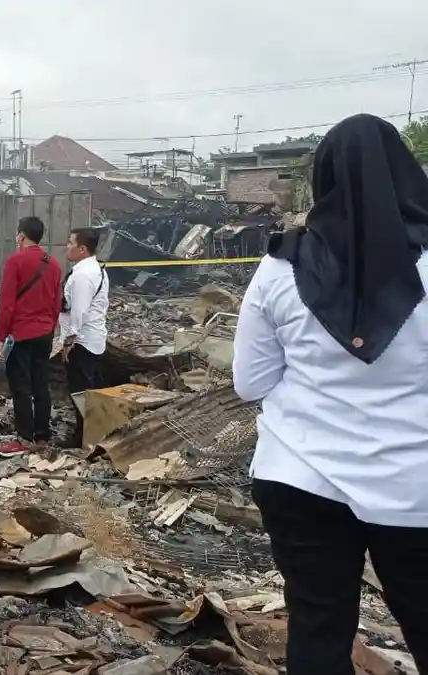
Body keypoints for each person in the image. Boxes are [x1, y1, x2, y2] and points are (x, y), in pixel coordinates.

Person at [233, 113, 428, 675]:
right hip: (411, 485)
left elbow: (251, 382)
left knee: (317, 632)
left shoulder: (278, 266)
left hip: (299, 476)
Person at [0, 216, 62, 457]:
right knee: (41, 385)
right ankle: (42, 436)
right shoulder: (53, 264)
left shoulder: (16, 261)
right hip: (44, 333)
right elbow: (57, 304)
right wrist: (50, 329)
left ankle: (23, 439)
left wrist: (1, 337)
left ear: (21, 235)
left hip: (21, 334)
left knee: (21, 386)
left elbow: (8, 304)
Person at [59, 227, 108, 449]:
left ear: (82, 249)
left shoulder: (82, 275)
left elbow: (79, 311)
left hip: (82, 341)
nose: (67, 247)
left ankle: (83, 439)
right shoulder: (98, 270)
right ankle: (94, 433)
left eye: (70, 243)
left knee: (80, 393)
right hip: (94, 338)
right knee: (91, 389)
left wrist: (69, 340)